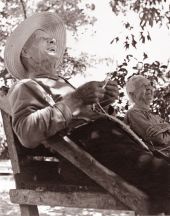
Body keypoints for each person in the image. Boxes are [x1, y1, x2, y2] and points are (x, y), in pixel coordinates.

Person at [4, 12, 170, 210]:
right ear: (26, 53)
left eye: (52, 38)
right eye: (42, 38)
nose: (52, 40)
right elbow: (26, 133)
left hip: (113, 149)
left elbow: (77, 116)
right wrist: (77, 98)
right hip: (92, 159)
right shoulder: (25, 86)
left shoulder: (59, 83)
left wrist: (102, 100)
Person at [124, 75, 170, 155]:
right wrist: (166, 128)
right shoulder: (133, 113)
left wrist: (165, 126)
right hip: (161, 158)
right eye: (143, 86)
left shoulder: (154, 115)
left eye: (149, 85)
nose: (148, 88)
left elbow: (166, 129)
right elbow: (159, 139)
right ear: (132, 94)